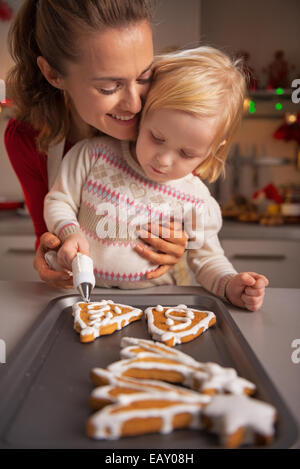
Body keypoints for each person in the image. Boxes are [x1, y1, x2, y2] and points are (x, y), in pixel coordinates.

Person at [44, 46, 269, 311]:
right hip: (82, 295)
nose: (163, 160)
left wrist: (231, 284)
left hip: (157, 305)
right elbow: (59, 201)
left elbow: (207, 260)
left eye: (186, 153)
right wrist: (69, 232)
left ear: (213, 149)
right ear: (143, 114)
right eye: (157, 138)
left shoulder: (196, 200)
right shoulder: (93, 156)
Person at [4, 0, 187, 290]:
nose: (135, 103)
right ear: (54, 74)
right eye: (108, 87)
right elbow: (48, 232)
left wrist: (182, 244)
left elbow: (192, 206)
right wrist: (51, 253)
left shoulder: (166, 118)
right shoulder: (27, 137)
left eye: (144, 76)